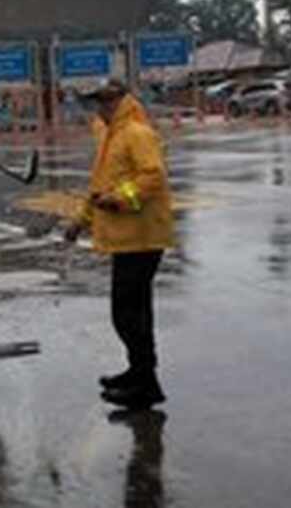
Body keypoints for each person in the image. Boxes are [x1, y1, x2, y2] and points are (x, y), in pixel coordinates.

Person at [64, 77, 174, 408]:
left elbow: (153, 178)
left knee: (127, 314)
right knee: (134, 313)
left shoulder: (137, 134)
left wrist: (120, 199)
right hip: (127, 239)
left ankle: (145, 384)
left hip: (142, 238)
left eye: (107, 100)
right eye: (98, 101)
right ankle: (140, 374)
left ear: (122, 100)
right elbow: (100, 187)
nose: (101, 107)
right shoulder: (110, 136)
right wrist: (80, 221)